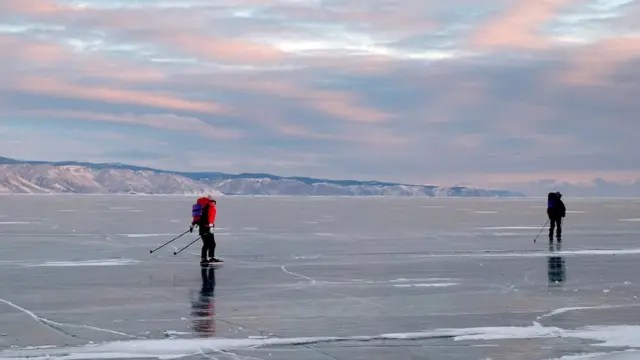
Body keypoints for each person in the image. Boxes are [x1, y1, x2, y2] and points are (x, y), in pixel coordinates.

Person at [190, 195, 221, 264]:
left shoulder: (201, 208)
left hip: (201, 228)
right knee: (212, 244)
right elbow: (211, 218)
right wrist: (211, 226)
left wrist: (192, 225)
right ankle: (210, 258)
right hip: (208, 228)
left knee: (206, 244)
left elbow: (196, 218)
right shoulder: (211, 207)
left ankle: (204, 258)